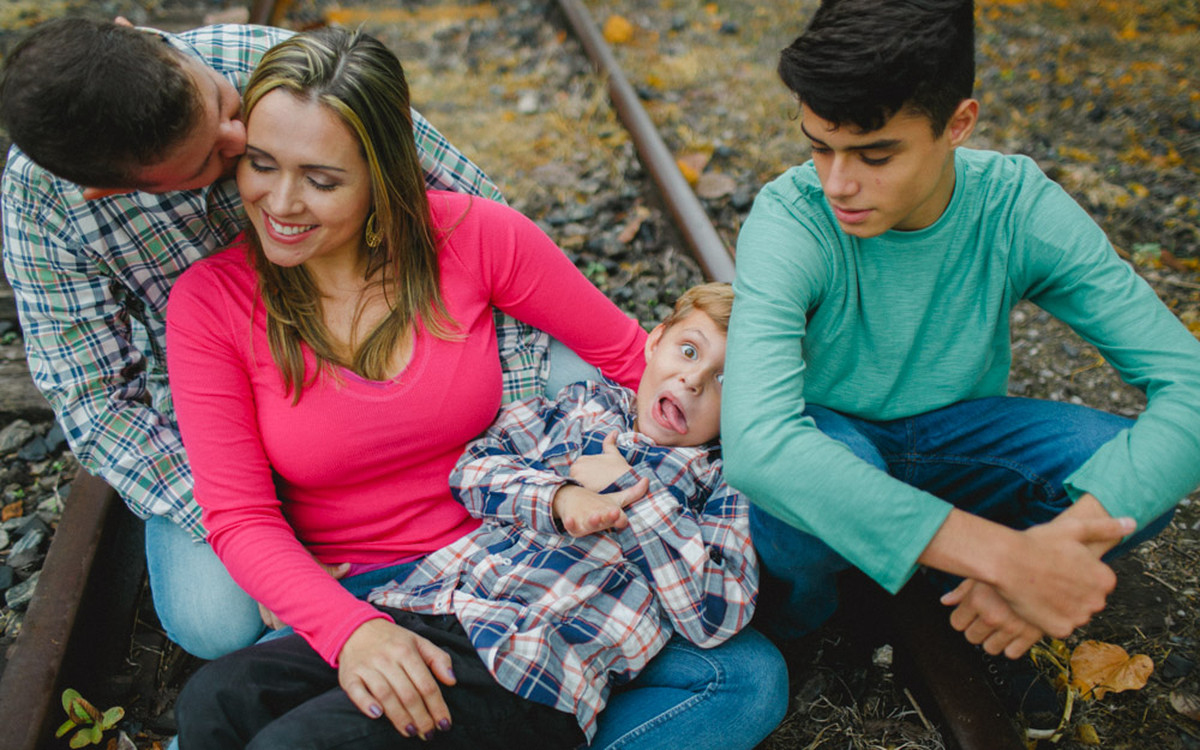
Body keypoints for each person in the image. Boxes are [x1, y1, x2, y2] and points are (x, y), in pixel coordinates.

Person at [166, 28, 784, 749]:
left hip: (527, 583)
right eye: (261, 165)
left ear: (383, 176)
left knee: (748, 678)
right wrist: (350, 630)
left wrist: (729, 422)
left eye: (321, 179)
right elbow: (240, 518)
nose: (280, 202)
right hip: (379, 589)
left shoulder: (474, 235)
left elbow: (625, 352)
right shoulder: (211, 303)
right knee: (210, 705)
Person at [0, 17, 552, 660]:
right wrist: (268, 547)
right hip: (221, 419)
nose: (237, 140)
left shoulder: (270, 62)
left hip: (402, 358)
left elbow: (476, 216)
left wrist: (510, 437)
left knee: (582, 395)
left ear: (142, 36)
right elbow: (98, 407)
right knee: (214, 622)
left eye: (221, 106)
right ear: (117, 190)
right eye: (209, 160)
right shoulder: (45, 207)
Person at [723, 0, 1200, 678]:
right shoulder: (791, 218)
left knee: (1125, 475)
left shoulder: (1016, 207)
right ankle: (807, 628)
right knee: (797, 483)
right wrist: (1007, 556)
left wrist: (1058, 548)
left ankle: (978, 587)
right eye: (818, 146)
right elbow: (758, 444)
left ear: (959, 125)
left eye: (876, 154)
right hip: (833, 438)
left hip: (957, 444)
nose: (839, 182)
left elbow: (1191, 384)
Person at [179, 281, 776, 747]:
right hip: (423, 606)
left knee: (298, 743)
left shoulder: (721, 484)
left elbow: (715, 616)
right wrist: (559, 498)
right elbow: (473, 471)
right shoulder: (580, 409)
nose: (693, 380)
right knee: (218, 695)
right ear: (655, 338)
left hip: (526, 670)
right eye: (689, 350)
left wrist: (630, 492)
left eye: (726, 381)